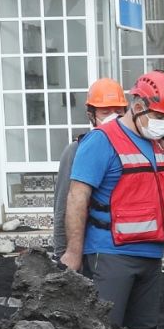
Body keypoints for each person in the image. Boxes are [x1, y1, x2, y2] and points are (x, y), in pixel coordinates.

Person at [59, 70, 164, 329]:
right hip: (110, 254)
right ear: (138, 107)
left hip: (151, 255)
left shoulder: (160, 144)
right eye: (159, 117)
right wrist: (72, 253)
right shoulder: (101, 141)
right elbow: (76, 198)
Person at [51, 78, 128, 265]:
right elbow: (63, 206)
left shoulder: (133, 150)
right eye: (106, 112)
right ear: (91, 114)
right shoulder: (76, 151)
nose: (113, 117)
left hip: (127, 251)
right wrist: (62, 254)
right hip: (91, 251)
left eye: (119, 111)